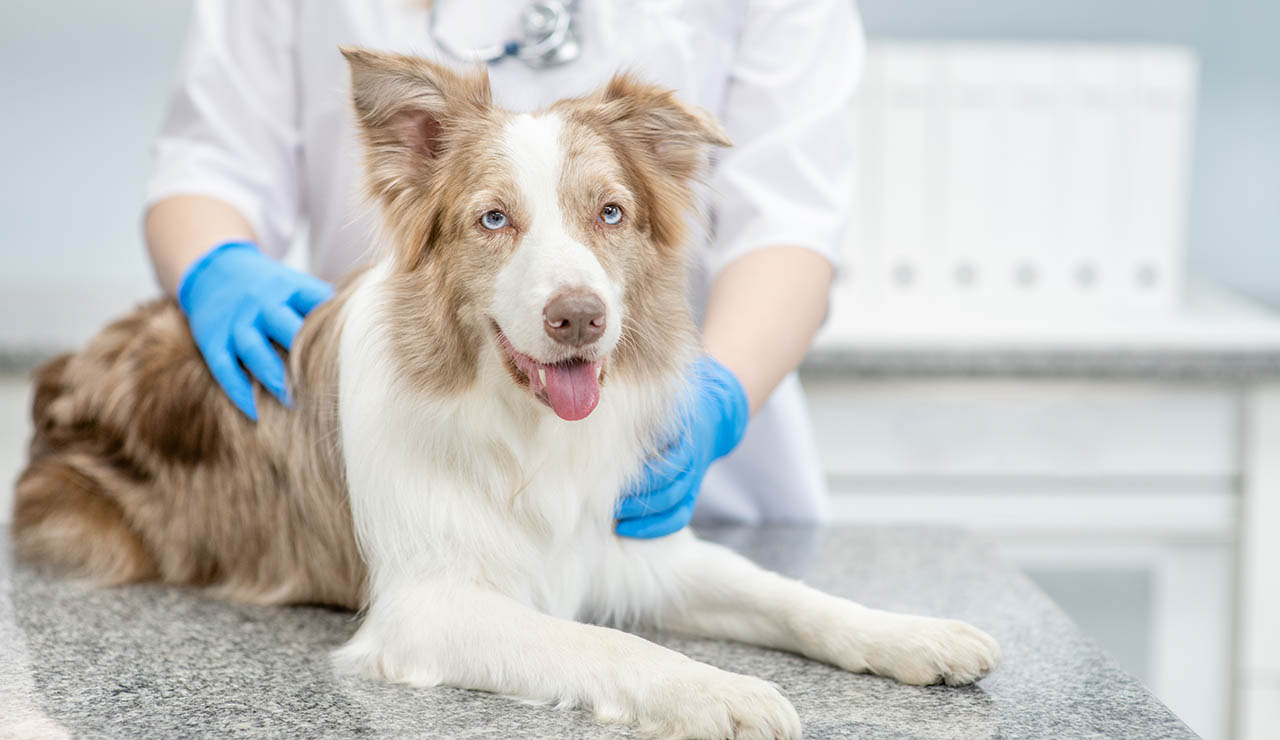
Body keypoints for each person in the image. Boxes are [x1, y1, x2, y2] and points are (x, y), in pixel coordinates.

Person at [145, 0, 863, 538]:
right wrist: (219, 264)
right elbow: (211, 161)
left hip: (688, 490)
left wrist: (718, 399)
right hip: (421, 456)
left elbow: (789, 219)